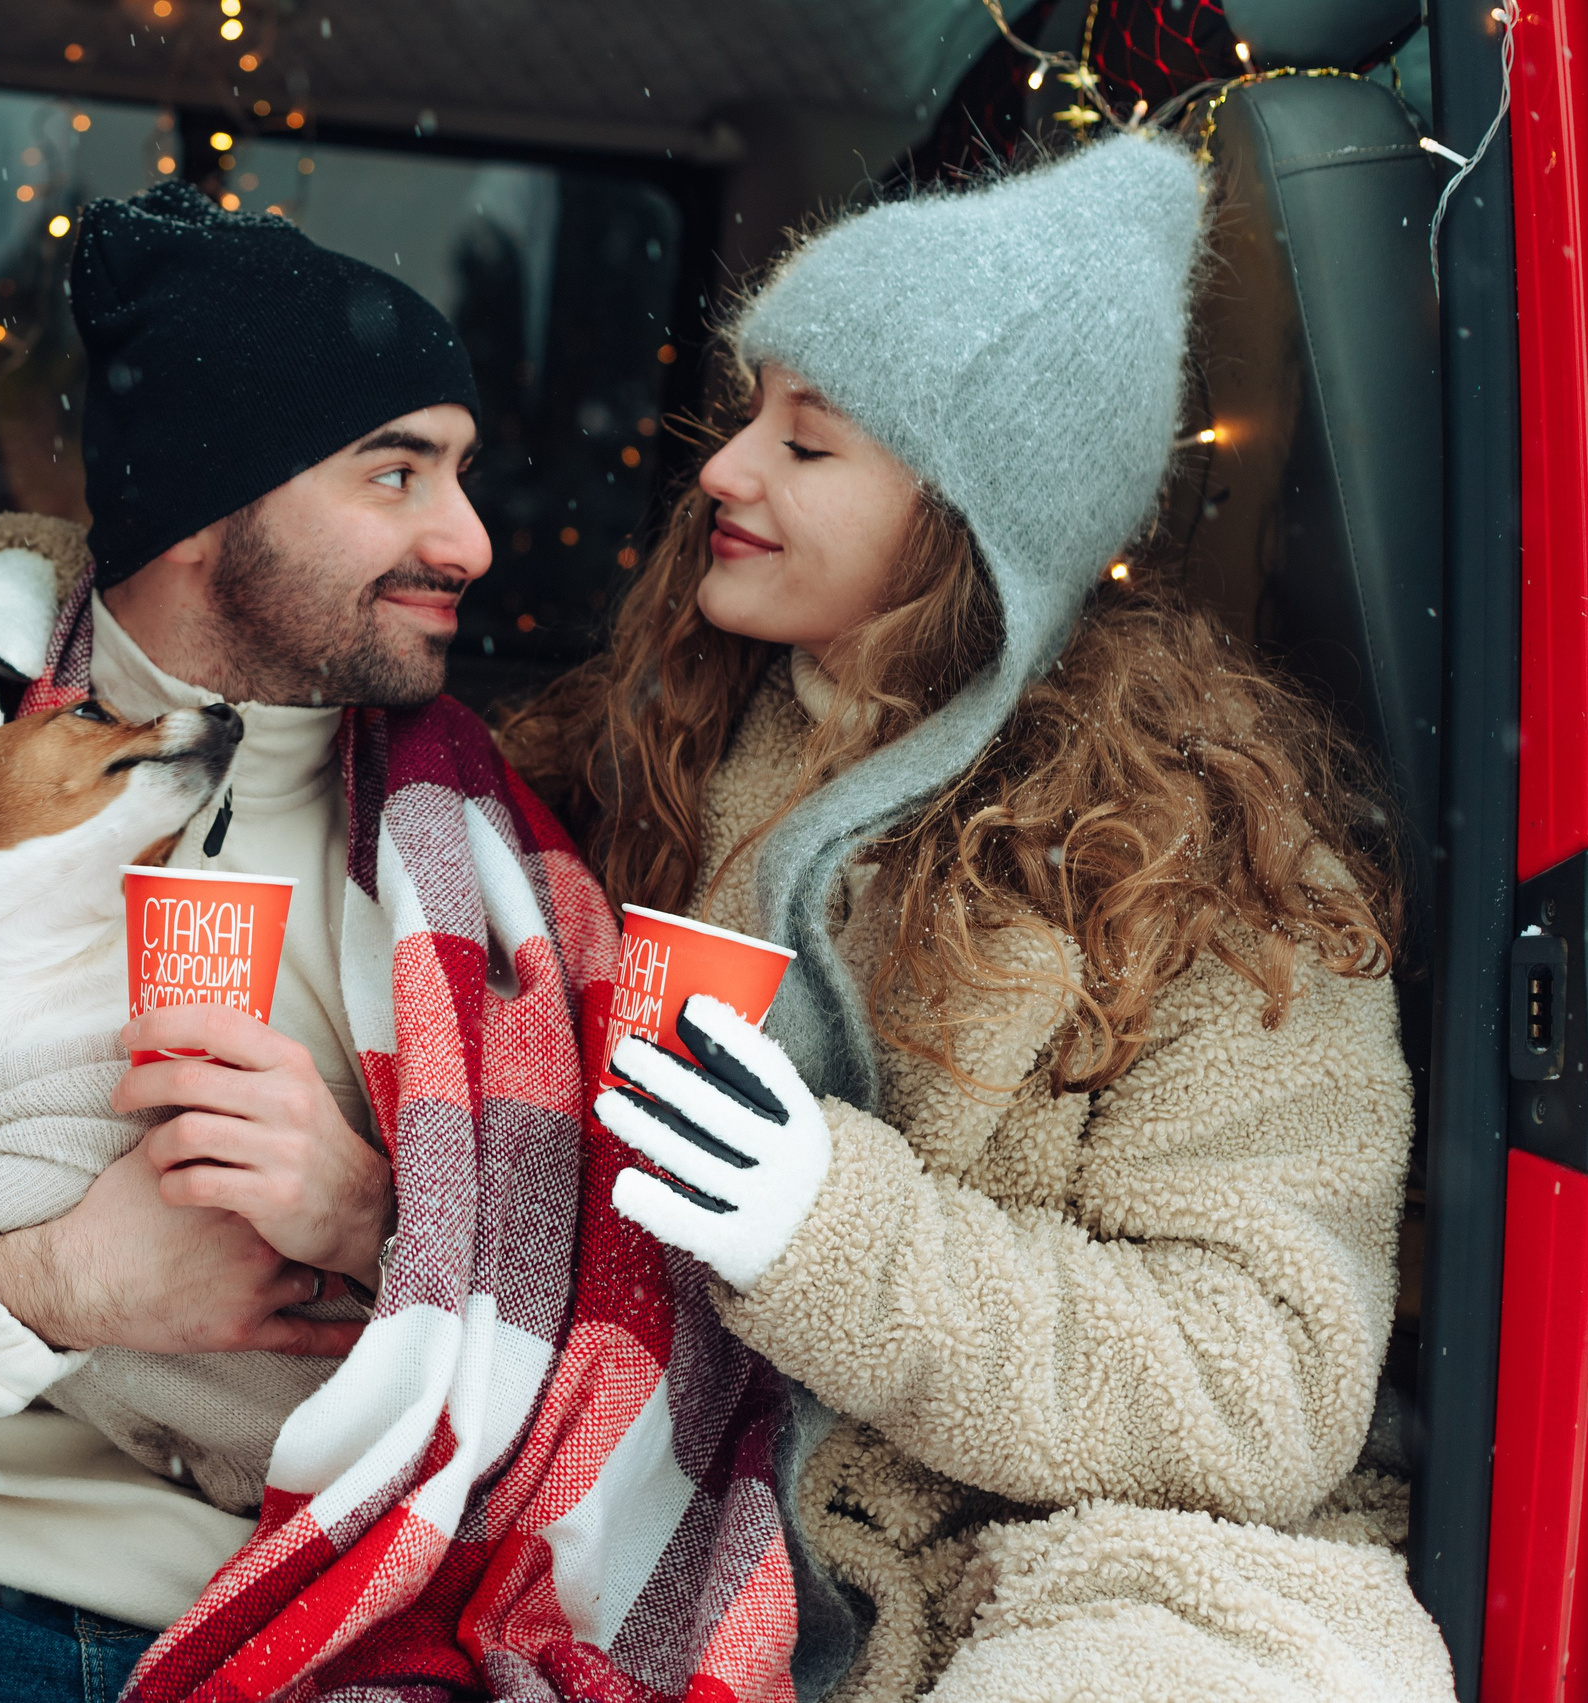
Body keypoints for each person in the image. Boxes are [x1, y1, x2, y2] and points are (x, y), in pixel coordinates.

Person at [0, 182, 799, 1703]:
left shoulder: (497, 869)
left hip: (324, 1627)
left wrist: (385, 1223)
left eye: (463, 475)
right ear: (214, 505)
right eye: (396, 473)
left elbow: (616, 1311)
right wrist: (47, 1289)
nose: (470, 541)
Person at [501, 134, 1457, 1699]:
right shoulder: (654, 743)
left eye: (809, 445)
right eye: (748, 416)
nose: (724, 470)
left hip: (1052, 1563)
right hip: (644, 1481)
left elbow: (1262, 1389)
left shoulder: (1205, 867)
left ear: (968, 520)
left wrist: (831, 1231)